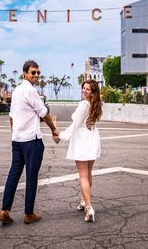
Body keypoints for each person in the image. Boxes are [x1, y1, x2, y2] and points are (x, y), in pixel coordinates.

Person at [0, 60, 59, 225]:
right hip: (31, 141)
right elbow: (44, 113)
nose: (36, 76)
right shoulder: (30, 91)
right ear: (25, 73)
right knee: (31, 177)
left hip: (17, 140)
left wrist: (15, 133)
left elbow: (11, 116)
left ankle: (5, 210)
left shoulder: (17, 90)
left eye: (38, 73)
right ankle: (29, 214)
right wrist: (54, 129)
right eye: (33, 72)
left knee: (14, 174)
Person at [56, 79, 102, 222]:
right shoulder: (97, 104)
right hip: (92, 137)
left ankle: (89, 207)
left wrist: (61, 136)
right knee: (88, 174)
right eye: (83, 88)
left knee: (83, 175)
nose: (84, 91)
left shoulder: (83, 104)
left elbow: (75, 125)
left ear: (93, 92)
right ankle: (83, 200)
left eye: (87, 89)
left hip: (83, 139)